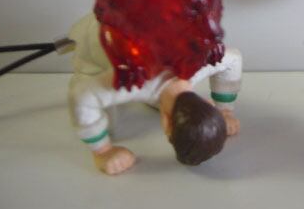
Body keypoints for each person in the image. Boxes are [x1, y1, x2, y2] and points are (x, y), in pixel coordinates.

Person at [68, 14, 242, 175]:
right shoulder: (136, 83)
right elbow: (81, 96)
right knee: (109, 127)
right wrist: (103, 151)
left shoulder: (201, 62)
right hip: (91, 44)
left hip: (131, 27)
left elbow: (233, 58)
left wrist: (224, 111)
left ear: (208, 103)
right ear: (166, 125)